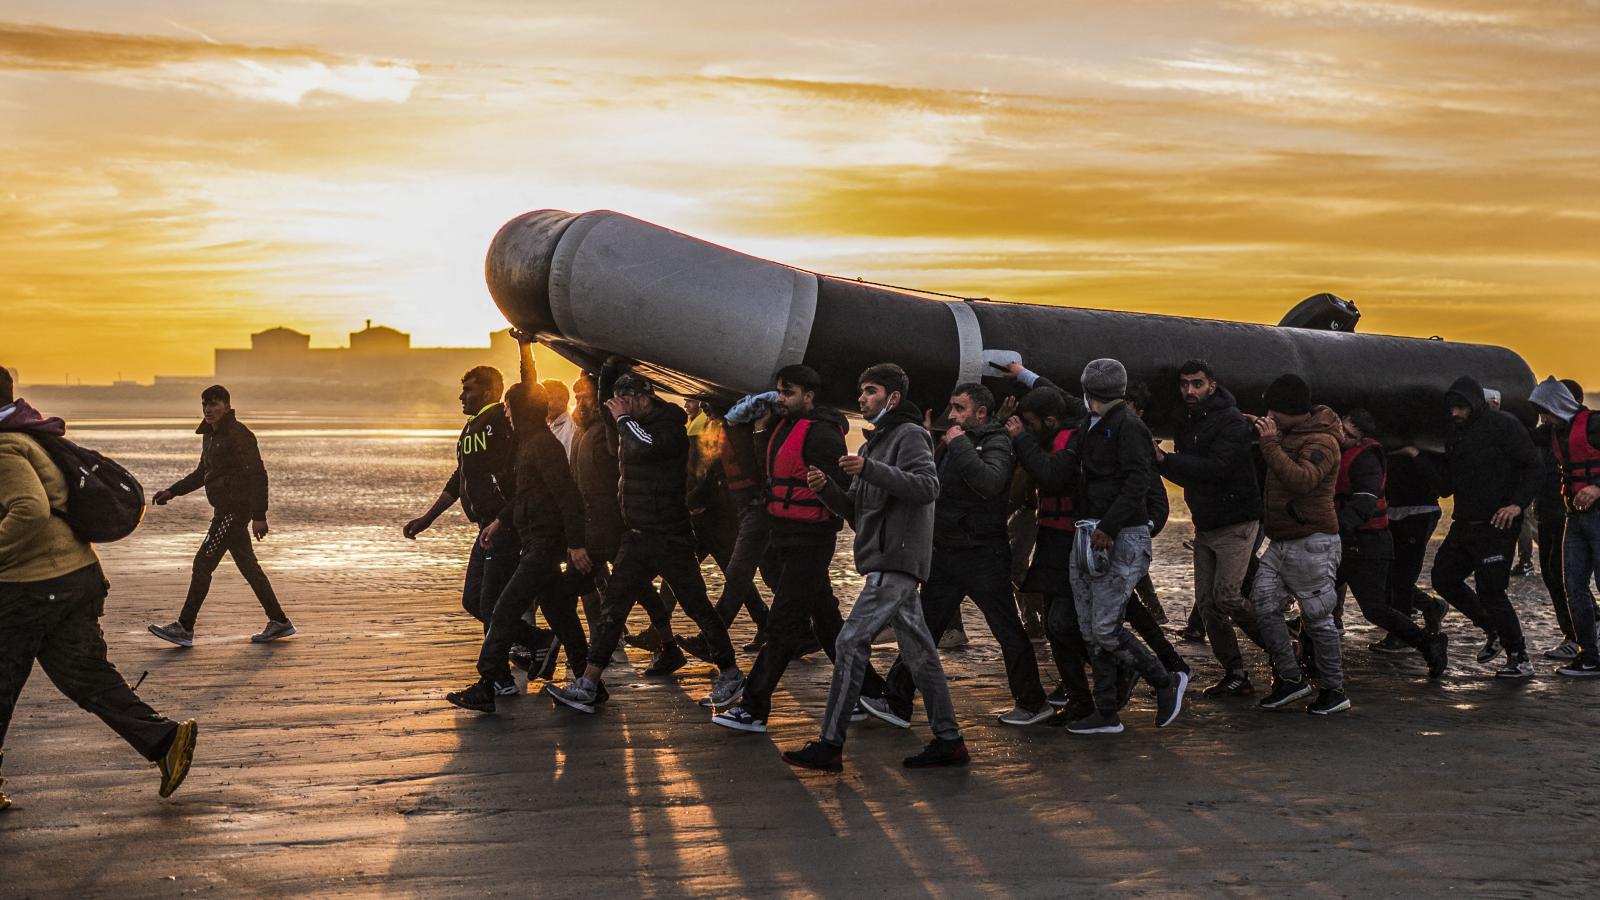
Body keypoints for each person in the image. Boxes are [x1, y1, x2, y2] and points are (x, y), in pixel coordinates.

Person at [0, 374, 197, 807]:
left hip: (33, 588)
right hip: (76, 578)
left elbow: (29, 511)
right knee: (85, 677)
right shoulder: (30, 437)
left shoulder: (5, 448)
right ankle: (166, 740)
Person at [781, 363, 968, 772]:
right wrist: (827, 490)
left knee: (849, 641)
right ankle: (950, 741)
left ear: (893, 398)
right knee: (921, 655)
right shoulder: (869, 447)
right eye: (861, 392)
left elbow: (926, 487)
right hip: (883, 559)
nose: (862, 399)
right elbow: (858, 512)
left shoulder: (910, 435)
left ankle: (830, 744)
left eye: (869, 392)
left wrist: (869, 470)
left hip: (897, 560)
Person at [546, 373, 744, 714]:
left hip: (670, 535)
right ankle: (589, 682)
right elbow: (617, 442)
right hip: (637, 535)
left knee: (697, 606)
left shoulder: (668, 427)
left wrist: (623, 418)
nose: (620, 409)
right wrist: (604, 379)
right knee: (613, 610)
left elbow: (644, 446)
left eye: (625, 400)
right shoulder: (628, 426)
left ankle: (730, 673)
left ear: (642, 397)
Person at [860, 382, 1052, 728]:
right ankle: (897, 701)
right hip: (947, 552)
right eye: (951, 407)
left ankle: (1033, 702)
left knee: (1007, 630)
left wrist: (957, 442)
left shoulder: (996, 441)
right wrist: (930, 442)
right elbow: (931, 484)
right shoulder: (952, 441)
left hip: (983, 554)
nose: (952, 415)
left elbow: (990, 482)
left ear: (981, 412)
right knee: (922, 630)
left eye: (959, 408)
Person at [713, 366, 886, 734]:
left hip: (811, 539)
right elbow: (761, 470)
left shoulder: (823, 433)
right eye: (778, 391)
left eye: (788, 393)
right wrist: (748, 426)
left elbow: (839, 492)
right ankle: (871, 691)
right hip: (786, 535)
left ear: (809, 395)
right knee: (827, 622)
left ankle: (754, 707)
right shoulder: (781, 425)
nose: (780, 399)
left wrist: (827, 495)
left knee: (782, 625)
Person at [1046, 359, 1188, 735]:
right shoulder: (1092, 423)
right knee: (1092, 629)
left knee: (1106, 628)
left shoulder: (1127, 427)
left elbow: (1137, 481)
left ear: (1087, 389)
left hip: (1116, 534)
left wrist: (1109, 525)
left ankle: (1165, 681)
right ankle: (1106, 710)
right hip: (1092, 532)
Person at [446, 382, 591, 712]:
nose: (506, 414)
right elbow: (525, 496)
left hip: (544, 544)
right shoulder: (528, 444)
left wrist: (577, 544)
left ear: (522, 410)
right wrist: (501, 520)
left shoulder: (543, 446)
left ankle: (487, 684)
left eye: (510, 408)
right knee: (559, 612)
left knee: (503, 609)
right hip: (533, 539)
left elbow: (568, 496)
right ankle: (588, 679)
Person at [147, 385, 292, 647]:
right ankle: (279, 621)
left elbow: (258, 474)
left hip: (234, 512)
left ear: (226, 405)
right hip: (225, 512)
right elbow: (203, 472)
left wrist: (259, 515)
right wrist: (173, 491)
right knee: (249, 568)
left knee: (203, 564)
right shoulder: (210, 435)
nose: (208, 410)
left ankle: (184, 627)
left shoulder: (239, 434)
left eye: (214, 404)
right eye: (204, 404)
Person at [1155, 359, 1264, 698]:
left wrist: (1165, 461)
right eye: (1185, 384)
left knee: (1228, 597)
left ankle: (1284, 645)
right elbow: (1191, 473)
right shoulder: (1187, 421)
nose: (1190, 390)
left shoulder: (1230, 421)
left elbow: (1217, 468)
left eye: (1197, 384)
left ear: (1212, 385)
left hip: (1237, 521)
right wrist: (1165, 463)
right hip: (1206, 523)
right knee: (1206, 603)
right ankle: (1235, 672)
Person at [1248, 374, 1350, 714]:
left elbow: (1303, 480)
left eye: (1274, 410)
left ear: (1292, 411)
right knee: (1262, 604)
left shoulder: (1322, 442)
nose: (1270, 415)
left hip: (1313, 541)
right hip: (1280, 540)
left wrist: (1269, 445)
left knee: (1319, 618)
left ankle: (1334, 690)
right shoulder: (1290, 433)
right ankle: (1292, 680)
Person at [1429, 376, 1542, 678]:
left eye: (1461, 408)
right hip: (1465, 523)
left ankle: (1519, 656)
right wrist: (1418, 458)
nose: (1455, 413)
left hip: (1499, 524)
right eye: (1451, 408)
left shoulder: (1504, 426)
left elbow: (1534, 466)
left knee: (1492, 590)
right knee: (1443, 578)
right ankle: (1490, 627)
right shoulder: (1455, 435)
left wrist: (1516, 505)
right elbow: (1447, 484)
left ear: (1475, 404)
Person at [1333, 410, 1448, 677]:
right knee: (1316, 595)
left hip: (1365, 543)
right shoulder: (1334, 449)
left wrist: (1335, 529)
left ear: (1361, 438)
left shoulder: (1367, 460)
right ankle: (1309, 655)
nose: (1342, 436)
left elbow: (1364, 501)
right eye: (1341, 430)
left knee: (1375, 608)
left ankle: (1428, 642)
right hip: (1348, 540)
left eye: (1349, 434)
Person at [1529, 377, 1600, 677]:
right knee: (1574, 587)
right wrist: (1493, 411)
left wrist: (1597, 488)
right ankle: (1589, 655)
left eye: (1545, 411)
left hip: (1598, 516)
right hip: (1573, 517)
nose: (1543, 418)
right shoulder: (1552, 432)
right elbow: (1518, 436)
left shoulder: (1594, 424)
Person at [1374, 446, 1450, 651]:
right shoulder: (1387, 446)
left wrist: (1416, 455)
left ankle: (1402, 633)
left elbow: (1443, 486)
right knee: (1388, 575)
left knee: (1402, 577)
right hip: (1391, 510)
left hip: (1420, 510)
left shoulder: (1431, 446)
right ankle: (1430, 606)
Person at [543, 378, 577, 455]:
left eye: (549, 399)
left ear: (564, 400)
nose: (543, 405)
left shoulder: (570, 428)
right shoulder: (549, 426)